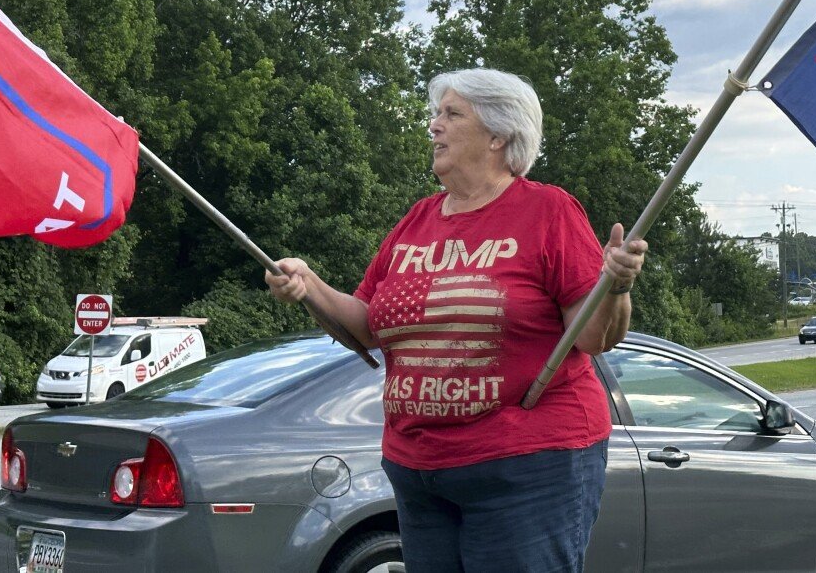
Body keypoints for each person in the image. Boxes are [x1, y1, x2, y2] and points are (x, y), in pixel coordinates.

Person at [265, 67, 647, 573]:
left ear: (497, 135)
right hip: (418, 467)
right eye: (435, 114)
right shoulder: (417, 221)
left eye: (451, 114)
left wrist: (616, 287)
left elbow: (596, 337)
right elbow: (365, 326)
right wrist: (308, 284)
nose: (434, 126)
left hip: (527, 463)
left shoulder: (547, 211)